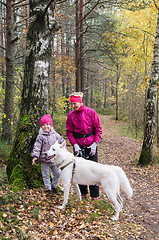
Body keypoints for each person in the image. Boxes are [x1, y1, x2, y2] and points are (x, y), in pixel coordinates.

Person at [66, 92, 102, 200]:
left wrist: (95, 143)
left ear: (80, 102)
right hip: (78, 146)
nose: (73, 106)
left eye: (75, 103)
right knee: (79, 171)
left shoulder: (91, 112)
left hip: (91, 145)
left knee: (93, 170)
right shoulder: (71, 116)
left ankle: (95, 195)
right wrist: (75, 145)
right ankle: (83, 194)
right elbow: (69, 132)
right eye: (71, 104)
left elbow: (98, 129)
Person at [32, 114, 65, 196]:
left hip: (54, 159)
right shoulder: (40, 136)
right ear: (41, 126)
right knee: (46, 175)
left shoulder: (55, 135)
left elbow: (62, 142)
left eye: (47, 125)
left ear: (51, 125)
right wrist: (35, 156)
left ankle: (54, 186)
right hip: (44, 159)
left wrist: (63, 151)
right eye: (43, 125)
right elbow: (37, 146)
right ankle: (48, 189)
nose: (46, 127)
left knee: (58, 173)